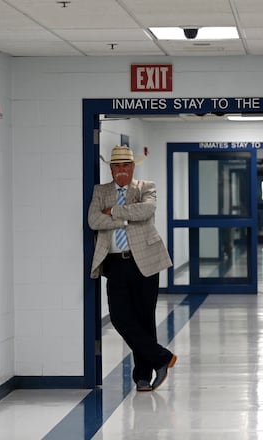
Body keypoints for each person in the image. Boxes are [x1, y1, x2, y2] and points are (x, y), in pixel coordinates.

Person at [88, 145, 176, 392]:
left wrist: (115, 213)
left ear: (132, 166)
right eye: (116, 166)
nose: (121, 170)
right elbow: (94, 220)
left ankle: (142, 377)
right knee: (119, 317)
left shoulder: (145, 187)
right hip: (115, 263)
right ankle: (162, 357)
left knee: (144, 317)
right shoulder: (100, 191)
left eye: (126, 165)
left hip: (145, 260)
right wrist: (129, 217)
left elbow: (146, 210)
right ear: (111, 168)